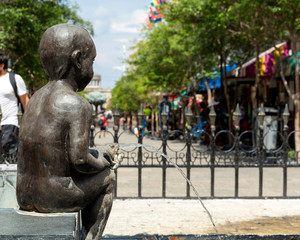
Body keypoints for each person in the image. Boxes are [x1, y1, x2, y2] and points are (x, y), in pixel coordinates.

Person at [16, 24, 118, 240]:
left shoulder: (35, 99)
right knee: (108, 179)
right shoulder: (76, 103)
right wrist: (105, 162)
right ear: (78, 59)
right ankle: (90, 238)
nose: (92, 67)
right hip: (53, 196)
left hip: (24, 194)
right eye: (92, 60)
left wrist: (95, 154)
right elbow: (80, 159)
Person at [0, 52, 29, 155]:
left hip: (9, 125)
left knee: (9, 164)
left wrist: (30, 124)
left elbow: (25, 101)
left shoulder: (15, 79)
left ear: (1, 65)